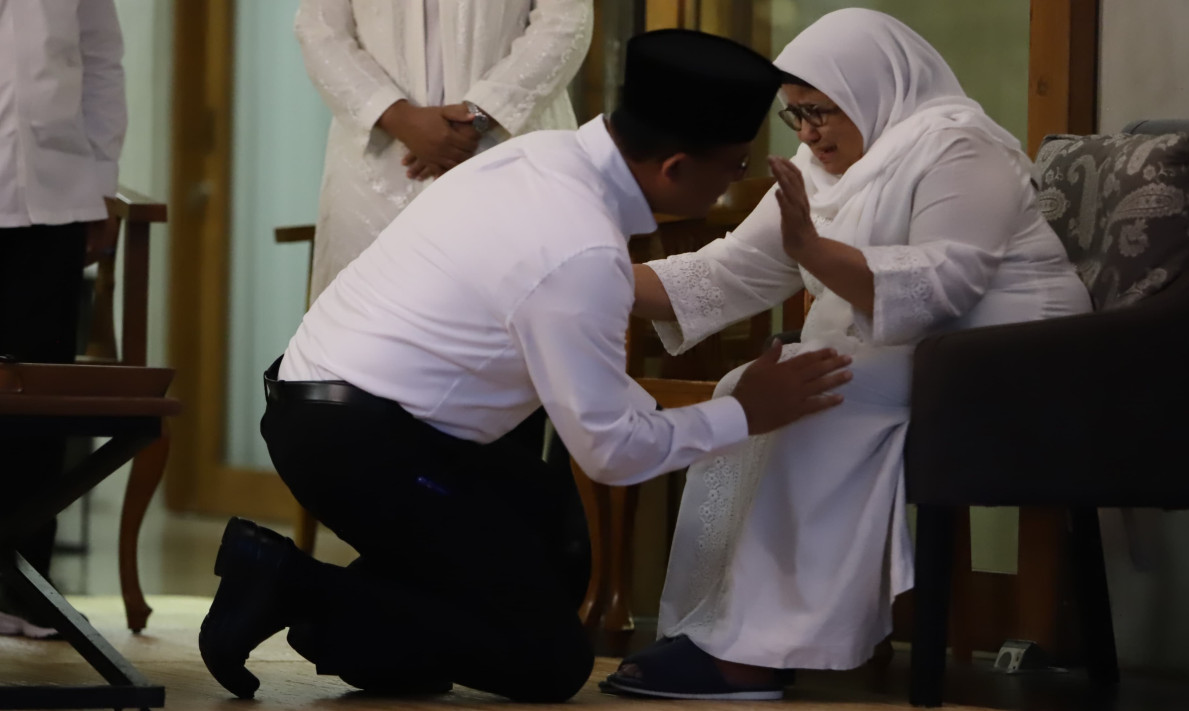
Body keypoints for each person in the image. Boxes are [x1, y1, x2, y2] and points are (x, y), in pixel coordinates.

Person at [198, 29, 854, 703]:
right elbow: (610, 450)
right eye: (735, 164)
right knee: (546, 660)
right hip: (357, 441)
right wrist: (746, 411)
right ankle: (284, 579)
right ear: (676, 168)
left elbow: (580, 310)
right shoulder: (579, 248)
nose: (736, 180)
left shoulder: (540, 157)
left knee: (554, 538)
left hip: (334, 406)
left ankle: (368, 639)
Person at [602, 9, 1093, 700]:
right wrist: (587, 273)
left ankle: (759, 652)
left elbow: (941, 286)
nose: (806, 133)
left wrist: (811, 250)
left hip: (1015, 362)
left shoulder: (957, 144)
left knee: (817, 385)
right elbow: (723, 273)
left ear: (872, 87)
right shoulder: (821, 166)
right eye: (792, 115)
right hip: (917, 359)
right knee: (754, 383)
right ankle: (727, 627)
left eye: (818, 112)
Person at [295, 0, 593, 301]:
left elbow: (566, 22)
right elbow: (318, 28)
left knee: (519, 321)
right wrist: (397, 116)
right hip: (377, 170)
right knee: (370, 328)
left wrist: (478, 117)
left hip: (509, 156)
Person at [0, 0, 126, 632]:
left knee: (37, 400)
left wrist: (102, 179)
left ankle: (23, 585)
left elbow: (101, 59)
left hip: (52, 196)